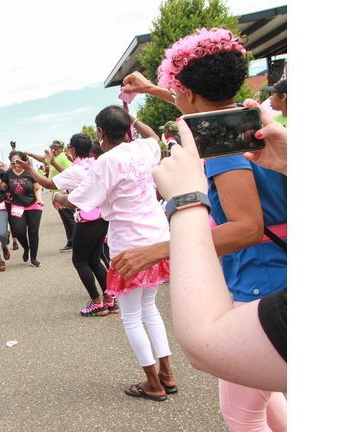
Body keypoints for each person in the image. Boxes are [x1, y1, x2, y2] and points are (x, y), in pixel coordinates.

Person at [119, 28, 287, 429]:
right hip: (279, 275)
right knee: (271, 392)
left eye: (176, 89)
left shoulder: (224, 152)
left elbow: (247, 228)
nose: (174, 95)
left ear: (189, 92)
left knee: (242, 414)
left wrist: (159, 249)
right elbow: (197, 106)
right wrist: (153, 89)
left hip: (259, 284)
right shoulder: (261, 123)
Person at [153, 114, 286, 393]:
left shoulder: (225, 155)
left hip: (259, 276)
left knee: (243, 413)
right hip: (265, 270)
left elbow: (204, 346)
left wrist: (185, 201)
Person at [57, 106, 176, 401]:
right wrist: (132, 117)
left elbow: (80, 201)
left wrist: (60, 197)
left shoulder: (106, 161)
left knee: (132, 315)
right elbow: (152, 136)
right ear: (127, 129)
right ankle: (167, 374)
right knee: (150, 309)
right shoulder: (143, 148)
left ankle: (153, 383)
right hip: (159, 237)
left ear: (100, 133)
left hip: (130, 244)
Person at [16, 135, 117, 315]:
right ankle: (110, 301)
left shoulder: (76, 170)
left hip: (87, 220)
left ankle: (97, 303)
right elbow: (70, 173)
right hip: (102, 217)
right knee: (94, 260)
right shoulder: (94, 165)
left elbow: (48, 183)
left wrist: (31, 168)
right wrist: (53, 163)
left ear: (73, 151)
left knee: (79, 261)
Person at [24, 140, 74, 253]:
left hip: (63, 194)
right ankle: (71, 242)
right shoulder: (54, 158)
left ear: (54, 149)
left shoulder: (63, 158)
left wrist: (66, 191)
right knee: (66, 220)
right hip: (57, 194)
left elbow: (71, 172)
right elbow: (42, 159)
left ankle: (75, 242)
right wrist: (31, 154)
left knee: (70, 219)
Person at [1, 151, 45, 267]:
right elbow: (2, 186)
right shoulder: (9, 173)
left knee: (33, 231)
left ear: (23, 161)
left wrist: (39, 199)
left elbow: (37, 188)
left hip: (33, 205)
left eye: (18, 161)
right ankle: (26, 248)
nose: (16, 164)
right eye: (13, 162)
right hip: (17, 206)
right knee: (19, 231)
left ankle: (33, 258)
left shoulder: (29, 172)